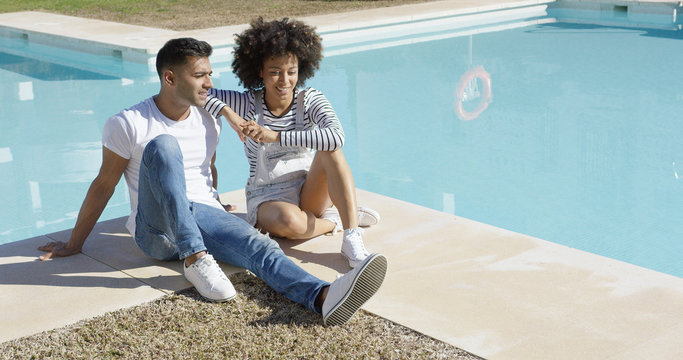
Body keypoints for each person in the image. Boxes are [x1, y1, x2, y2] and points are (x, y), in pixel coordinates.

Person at [37, 37, 387, 326]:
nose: (209, 83)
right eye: (200, 75)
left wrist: (217, 204)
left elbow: (206, 169)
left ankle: (322, 296)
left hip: (202, 214)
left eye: (209, 73)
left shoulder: (209, 119)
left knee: (259, 245)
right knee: (164, 147)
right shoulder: (128, 123)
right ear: (170, 79)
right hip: (158, 233)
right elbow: (104, 184)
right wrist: (75, 242)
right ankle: (195, 259)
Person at [205, 17, 379, 269]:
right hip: (267, 196)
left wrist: (274, 135)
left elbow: (337, 136)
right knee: (288, 224)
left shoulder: (310, 100)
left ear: (301, 69)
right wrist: (228, 113)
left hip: (309, 190)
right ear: (260, 71)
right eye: (275, 72)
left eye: (291, 71)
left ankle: (351, 237)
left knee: (331, 149)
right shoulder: (245, 104)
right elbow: (195, 92)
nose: (284, 81)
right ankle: (336, 219)